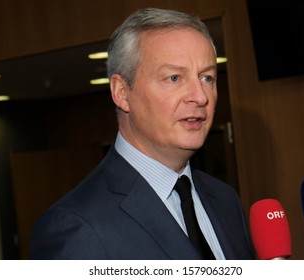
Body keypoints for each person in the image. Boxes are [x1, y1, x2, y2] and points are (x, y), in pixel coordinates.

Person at [30, 7, 255, 260]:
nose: (200, 97)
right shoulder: (76, 226)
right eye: (173, 78)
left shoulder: (225, 200)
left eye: (207, 78)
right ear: (122, 92)